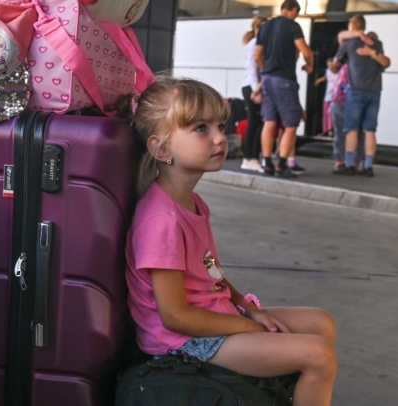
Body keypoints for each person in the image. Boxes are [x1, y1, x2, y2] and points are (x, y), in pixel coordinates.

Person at [122, 76, 338, 406]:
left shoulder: (192, 203)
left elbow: (211, 271)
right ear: (162, 149)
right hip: (182, 342)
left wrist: (248, 309)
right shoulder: (161, 219)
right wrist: (245, 326)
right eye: (201, 128)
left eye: (220, 125)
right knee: (318, 356)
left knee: (322, 324)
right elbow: (175, 316)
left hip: (211, 316)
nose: (220, 137)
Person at [255, 0, 314, 178]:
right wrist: (309, 64)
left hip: (267, 79)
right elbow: (306, 51)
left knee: (269, 122)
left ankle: (267, 164)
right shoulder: (292, 26)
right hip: (285, 80)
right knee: (291, 125)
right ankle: (281, 166)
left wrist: (265, 70)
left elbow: (257, 55)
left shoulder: (265, 26)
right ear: (294, 10)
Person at [333, 15, 391, 177]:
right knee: (370, 130)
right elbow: (386, 62)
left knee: (351, 129)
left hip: (356, 92)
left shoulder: (349, 44)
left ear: (351, 27)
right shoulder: (377, 44)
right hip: (375, 92)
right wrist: (371, 52)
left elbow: (337, 61)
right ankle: (368, 167)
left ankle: (349, 165)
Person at [240, 16, 266, 173]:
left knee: (258, 123)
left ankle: (253, 157)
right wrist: (257, 89)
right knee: (254, 123)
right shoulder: (255, 43)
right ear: (256, 29)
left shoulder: (258, 43)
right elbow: (252, 68)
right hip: (251, 87)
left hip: (253, 87)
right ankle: (249, 158)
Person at [314, 58, 338, 137]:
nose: (330, 67)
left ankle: (331, 130)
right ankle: (325, 130)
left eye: (331, 65)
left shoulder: (339, 72)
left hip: (335, 97)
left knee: (330, 113)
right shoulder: (328, 71)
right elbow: (326, 77)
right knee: (325, 114)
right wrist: (319, 80)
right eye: (328, 66)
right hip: (327, 96)